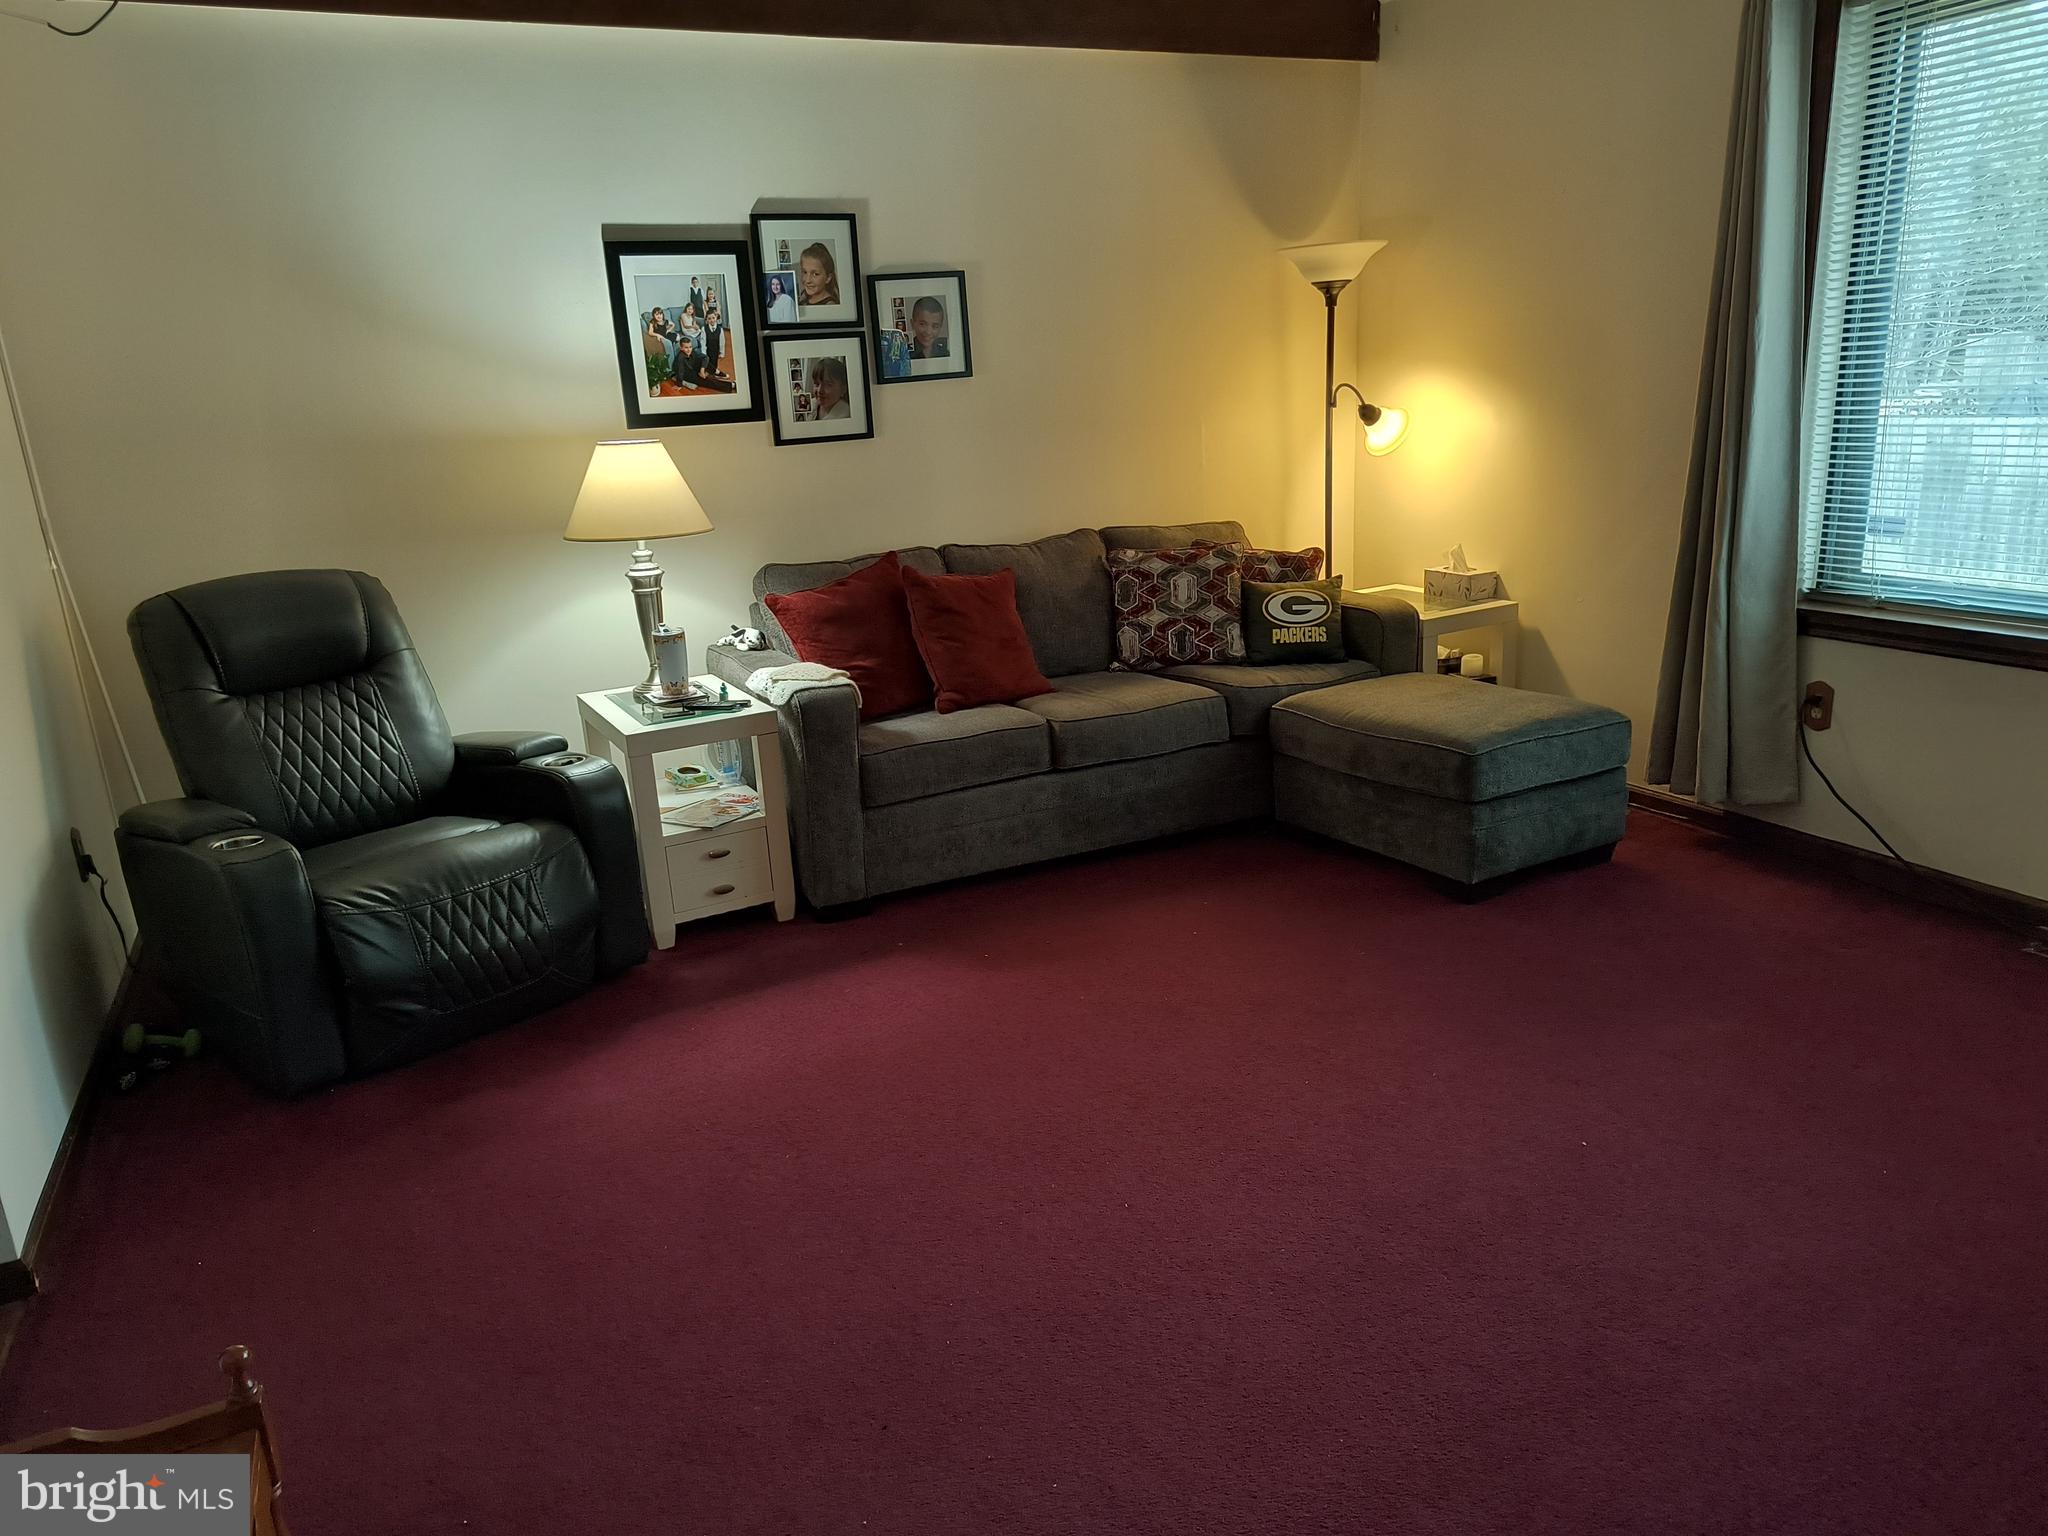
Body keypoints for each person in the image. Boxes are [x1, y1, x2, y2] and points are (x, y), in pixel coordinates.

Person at [797, 242, 840, 310]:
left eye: (815, 274)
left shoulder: (830, 306)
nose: (808, 280)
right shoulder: (803, 300)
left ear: (828, 278)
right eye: (805, 272)